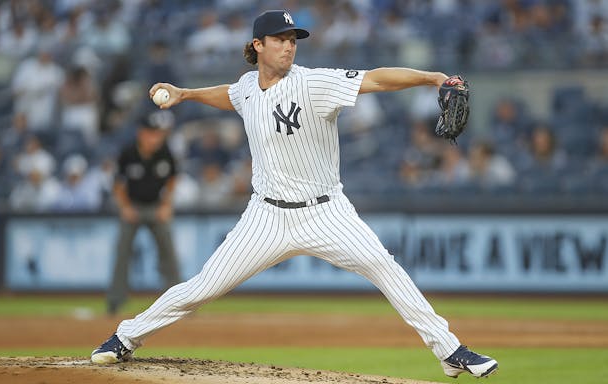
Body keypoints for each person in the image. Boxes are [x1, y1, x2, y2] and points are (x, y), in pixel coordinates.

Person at [91, 10, 498, 379]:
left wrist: (432, 78)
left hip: (327, 212)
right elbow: (230, 94)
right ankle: (125, 337)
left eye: (293, 39)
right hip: (266, 216)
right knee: (203, 286)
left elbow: (376, 77)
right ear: (258, 45)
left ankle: (450, 350)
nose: (289, 46)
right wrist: (187, 94)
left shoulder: (314, 83)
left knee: (384, 266)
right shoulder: (249, 86)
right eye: (280, 39)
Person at [106, 109, 181, 315]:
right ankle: (115, 301)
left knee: (168, 252)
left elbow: (173, 179)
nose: (156, 137)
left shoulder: (165, 152)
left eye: (158, 133)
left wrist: (166, 205)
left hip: (156, 206)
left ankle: (178, 302)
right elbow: (117, 184)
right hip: (133, 206)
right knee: (122, 251)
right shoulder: (128, 152)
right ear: (142, 133)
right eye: (152, 133)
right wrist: (125, 207)